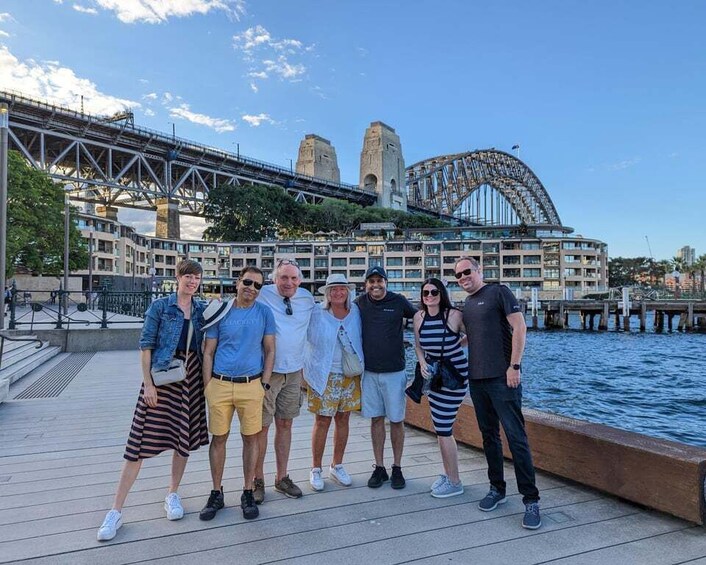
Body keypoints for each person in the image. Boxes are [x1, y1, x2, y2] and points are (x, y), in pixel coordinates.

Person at [97, 260, 208, 542]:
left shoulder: (200, 309)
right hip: (161, 377)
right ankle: (115, 510)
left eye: (197, 278)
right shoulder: (160, 306)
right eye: (188, 277)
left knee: (181, 442)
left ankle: (172, 493)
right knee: (138, 445)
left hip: (190, 377)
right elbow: (146, 346)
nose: (192, 282)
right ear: (178, 277)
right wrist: (148, 384)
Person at [454, 257, 541, 530]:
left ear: (478, 271)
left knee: (516, 438)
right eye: (458, 275)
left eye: (467, 271)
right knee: (489, 437)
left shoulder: (498, 291)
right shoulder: (467, 304)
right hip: (477, 380)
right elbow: (474, 336)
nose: (463, 277)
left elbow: (519, 326)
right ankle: (497, 489)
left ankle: (531, 500)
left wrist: (514, 366)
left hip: (503, 378)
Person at [199, 266, 275, 521]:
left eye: (257, 286)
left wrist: (263, 384)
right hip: (219, 384)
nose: (252, 289)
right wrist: (207, 385)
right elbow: (208, 351)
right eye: (248, 282)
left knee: (251, 439)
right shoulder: (221, 311)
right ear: (237, 282)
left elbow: (270, 350)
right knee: (218, 439)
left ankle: (246, 490)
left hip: (251, 385)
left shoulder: (265, 312)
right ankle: (216, 492)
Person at [254, 259, 315, 502]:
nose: (288, 282)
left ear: (299, 280)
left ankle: (282, 477)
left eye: (293, 278)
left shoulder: (307, 298)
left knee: (286, 425)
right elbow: (238, 303)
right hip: (268, 372)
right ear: (274, 279)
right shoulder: (262, 294)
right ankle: (257, 480)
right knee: (261, 427)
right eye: (283, 278)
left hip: (294, 372)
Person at [355, 266, 416, 489]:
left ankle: (397, 467)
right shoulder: (360, 303)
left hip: (395, 372)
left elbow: (421, 318)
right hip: (369, 372)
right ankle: (379, 467)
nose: (375, 285)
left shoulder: (399, 301)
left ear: (386, 282)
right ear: (366, 285)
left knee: (397, 420)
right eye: (371, 281)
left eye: (379, 281)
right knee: (376, 419)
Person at [304, 274, 364, 491]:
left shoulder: (355, 312)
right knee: (322, 421)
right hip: (324, 373)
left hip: (350, 374)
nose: (338, 293)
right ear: (327, 293)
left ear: (348, 291)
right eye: (333, 289)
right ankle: (316, 468)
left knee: (343, 419)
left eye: (342, 289)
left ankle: (337, 465)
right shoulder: (317, 313)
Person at [413, 277, 468, 498]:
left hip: (454, 376)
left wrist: (455, 347)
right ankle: (449, 473)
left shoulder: (453, 315)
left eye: (434, 292)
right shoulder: (419, 317)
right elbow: (418, 344)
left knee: (444, 429)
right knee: (440, 428)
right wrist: (423, 361)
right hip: (434, 376)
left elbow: (472, 335)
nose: (429, 297)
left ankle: (455, 482)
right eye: (425, 293)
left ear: (441, 293)